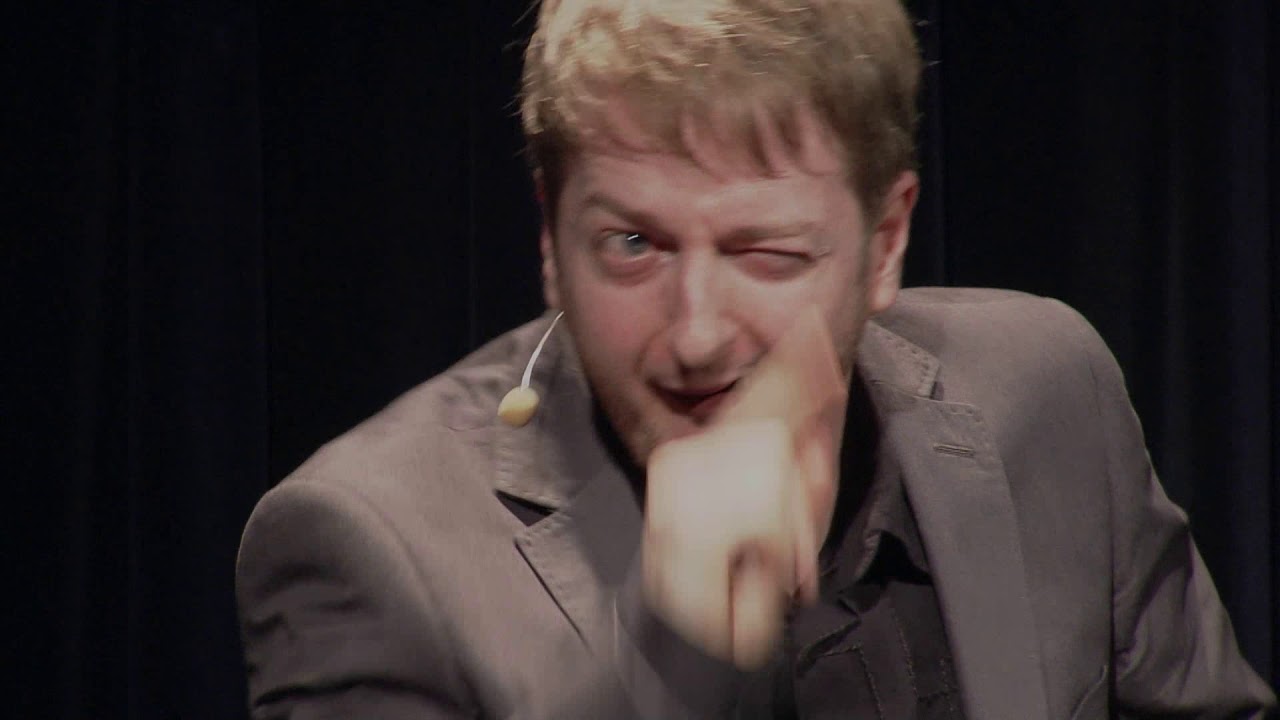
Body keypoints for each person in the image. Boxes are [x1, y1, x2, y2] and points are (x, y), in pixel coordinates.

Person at [235, 0, 1276, 717]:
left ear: (885, 242)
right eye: (631, 245)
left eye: (765, 253)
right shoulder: (367, 551)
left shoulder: (1045, 393)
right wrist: (673, 648)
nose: (695, 334)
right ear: (550, 237)